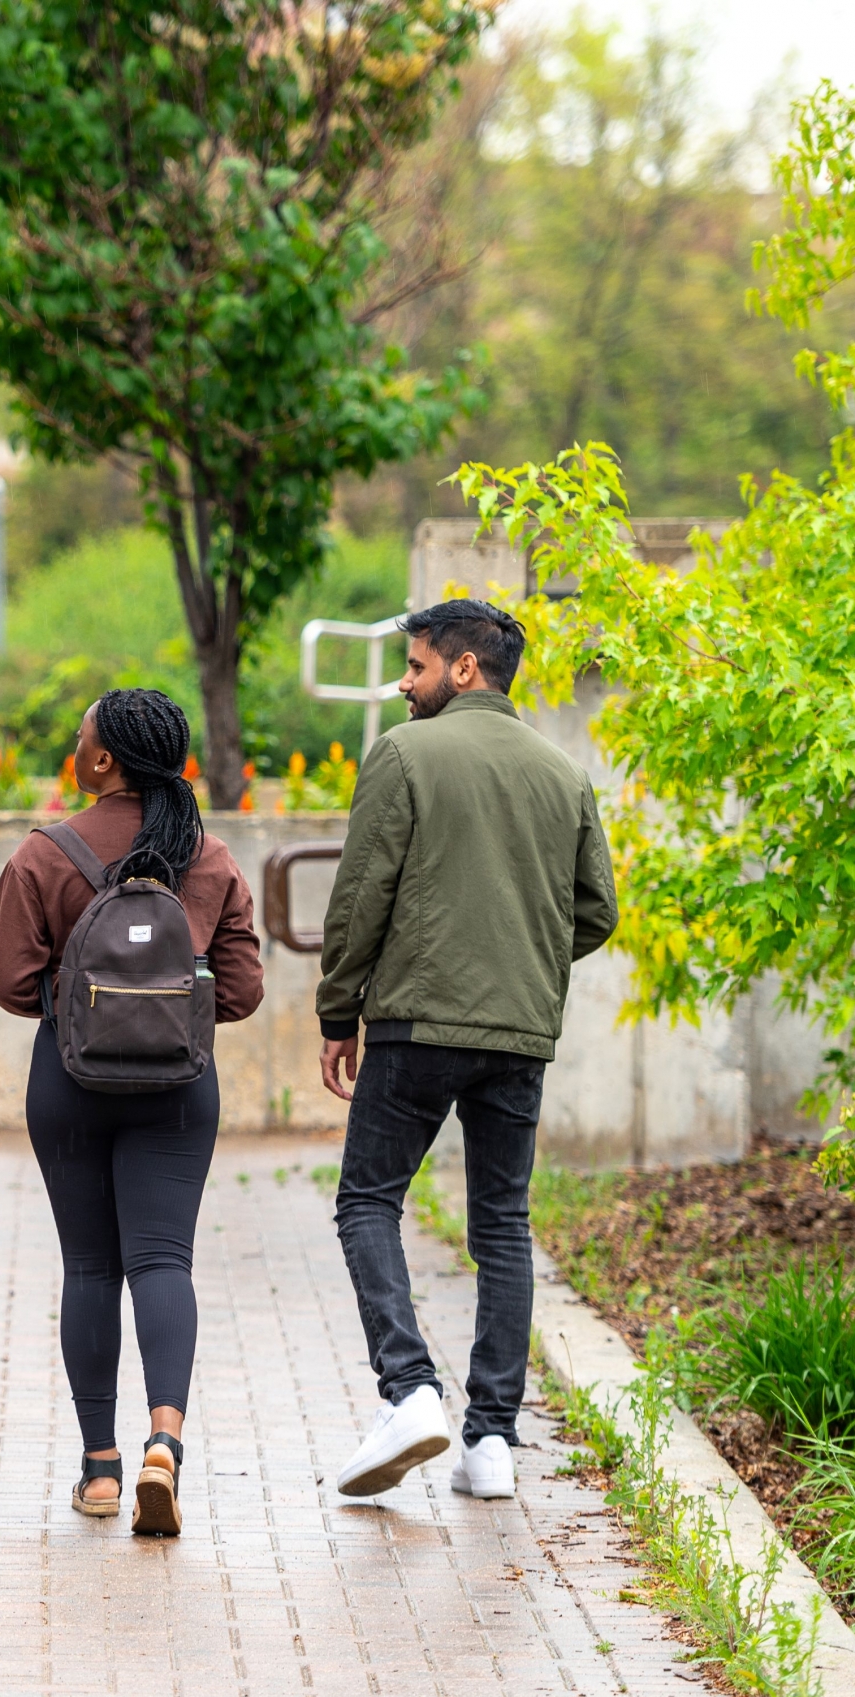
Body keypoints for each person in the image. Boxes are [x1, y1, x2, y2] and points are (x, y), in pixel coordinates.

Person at [315, 599, 616, 1502]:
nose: (403, 684)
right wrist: (518, 960)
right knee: (502, 1223)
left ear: (465, 670)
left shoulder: (404, 754)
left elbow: (362, 895)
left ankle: (409, 1388)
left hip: (416, 1022)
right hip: (519, 1032)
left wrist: (339, 1011)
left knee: (368, 1199)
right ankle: (492, 1442)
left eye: (414, 667)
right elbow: (595, 910)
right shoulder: (563, 774)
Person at [0, 688, 263, 1537]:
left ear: (102, 762)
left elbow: (5, 979)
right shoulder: (207, 857)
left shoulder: (44, 854)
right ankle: (164, 1443)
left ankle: (100, 1470)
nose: (75, 749)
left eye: (80, 739)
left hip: (69, 1082)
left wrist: (81, 1008)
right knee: (163, 1262)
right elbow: (243, 990)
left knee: (91, 1269)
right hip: (180, 1088)